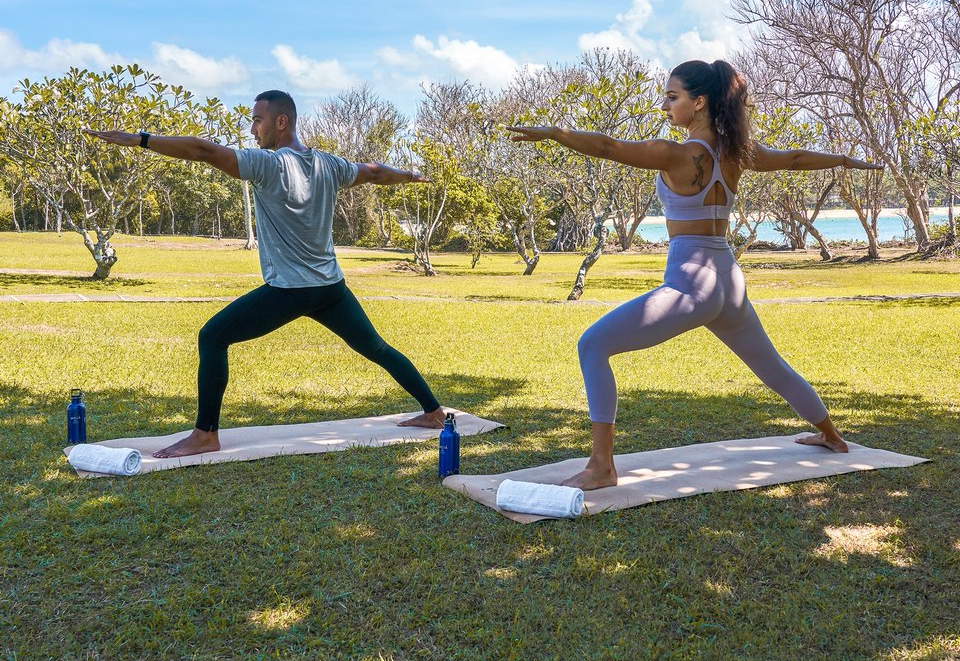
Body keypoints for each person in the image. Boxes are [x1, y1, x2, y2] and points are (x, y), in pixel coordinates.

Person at [508, 59, 882, 490]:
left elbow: (610, 147)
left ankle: (601, 467)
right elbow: (794, 158)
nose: (665, 106)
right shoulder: (737, 154)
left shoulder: (678, 154)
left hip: (692, 282)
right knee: (770, 365)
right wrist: (844, 160)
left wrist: (556, 134)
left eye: (673, 97)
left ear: (699, 102)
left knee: (592, 345)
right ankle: (832, 436)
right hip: (727, 278)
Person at [85, 89, 445, 458]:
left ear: (281, 121)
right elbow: (374, 172)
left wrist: (140, 140)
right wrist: (410, 175)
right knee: (376, 348)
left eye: (257, 120)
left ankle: (205, 434)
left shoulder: (268, 165)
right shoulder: (330, 164)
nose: (253, 130)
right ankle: (433, 413)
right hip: (330, 288)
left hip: (291, 290)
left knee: (212, 337)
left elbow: (203, 150)